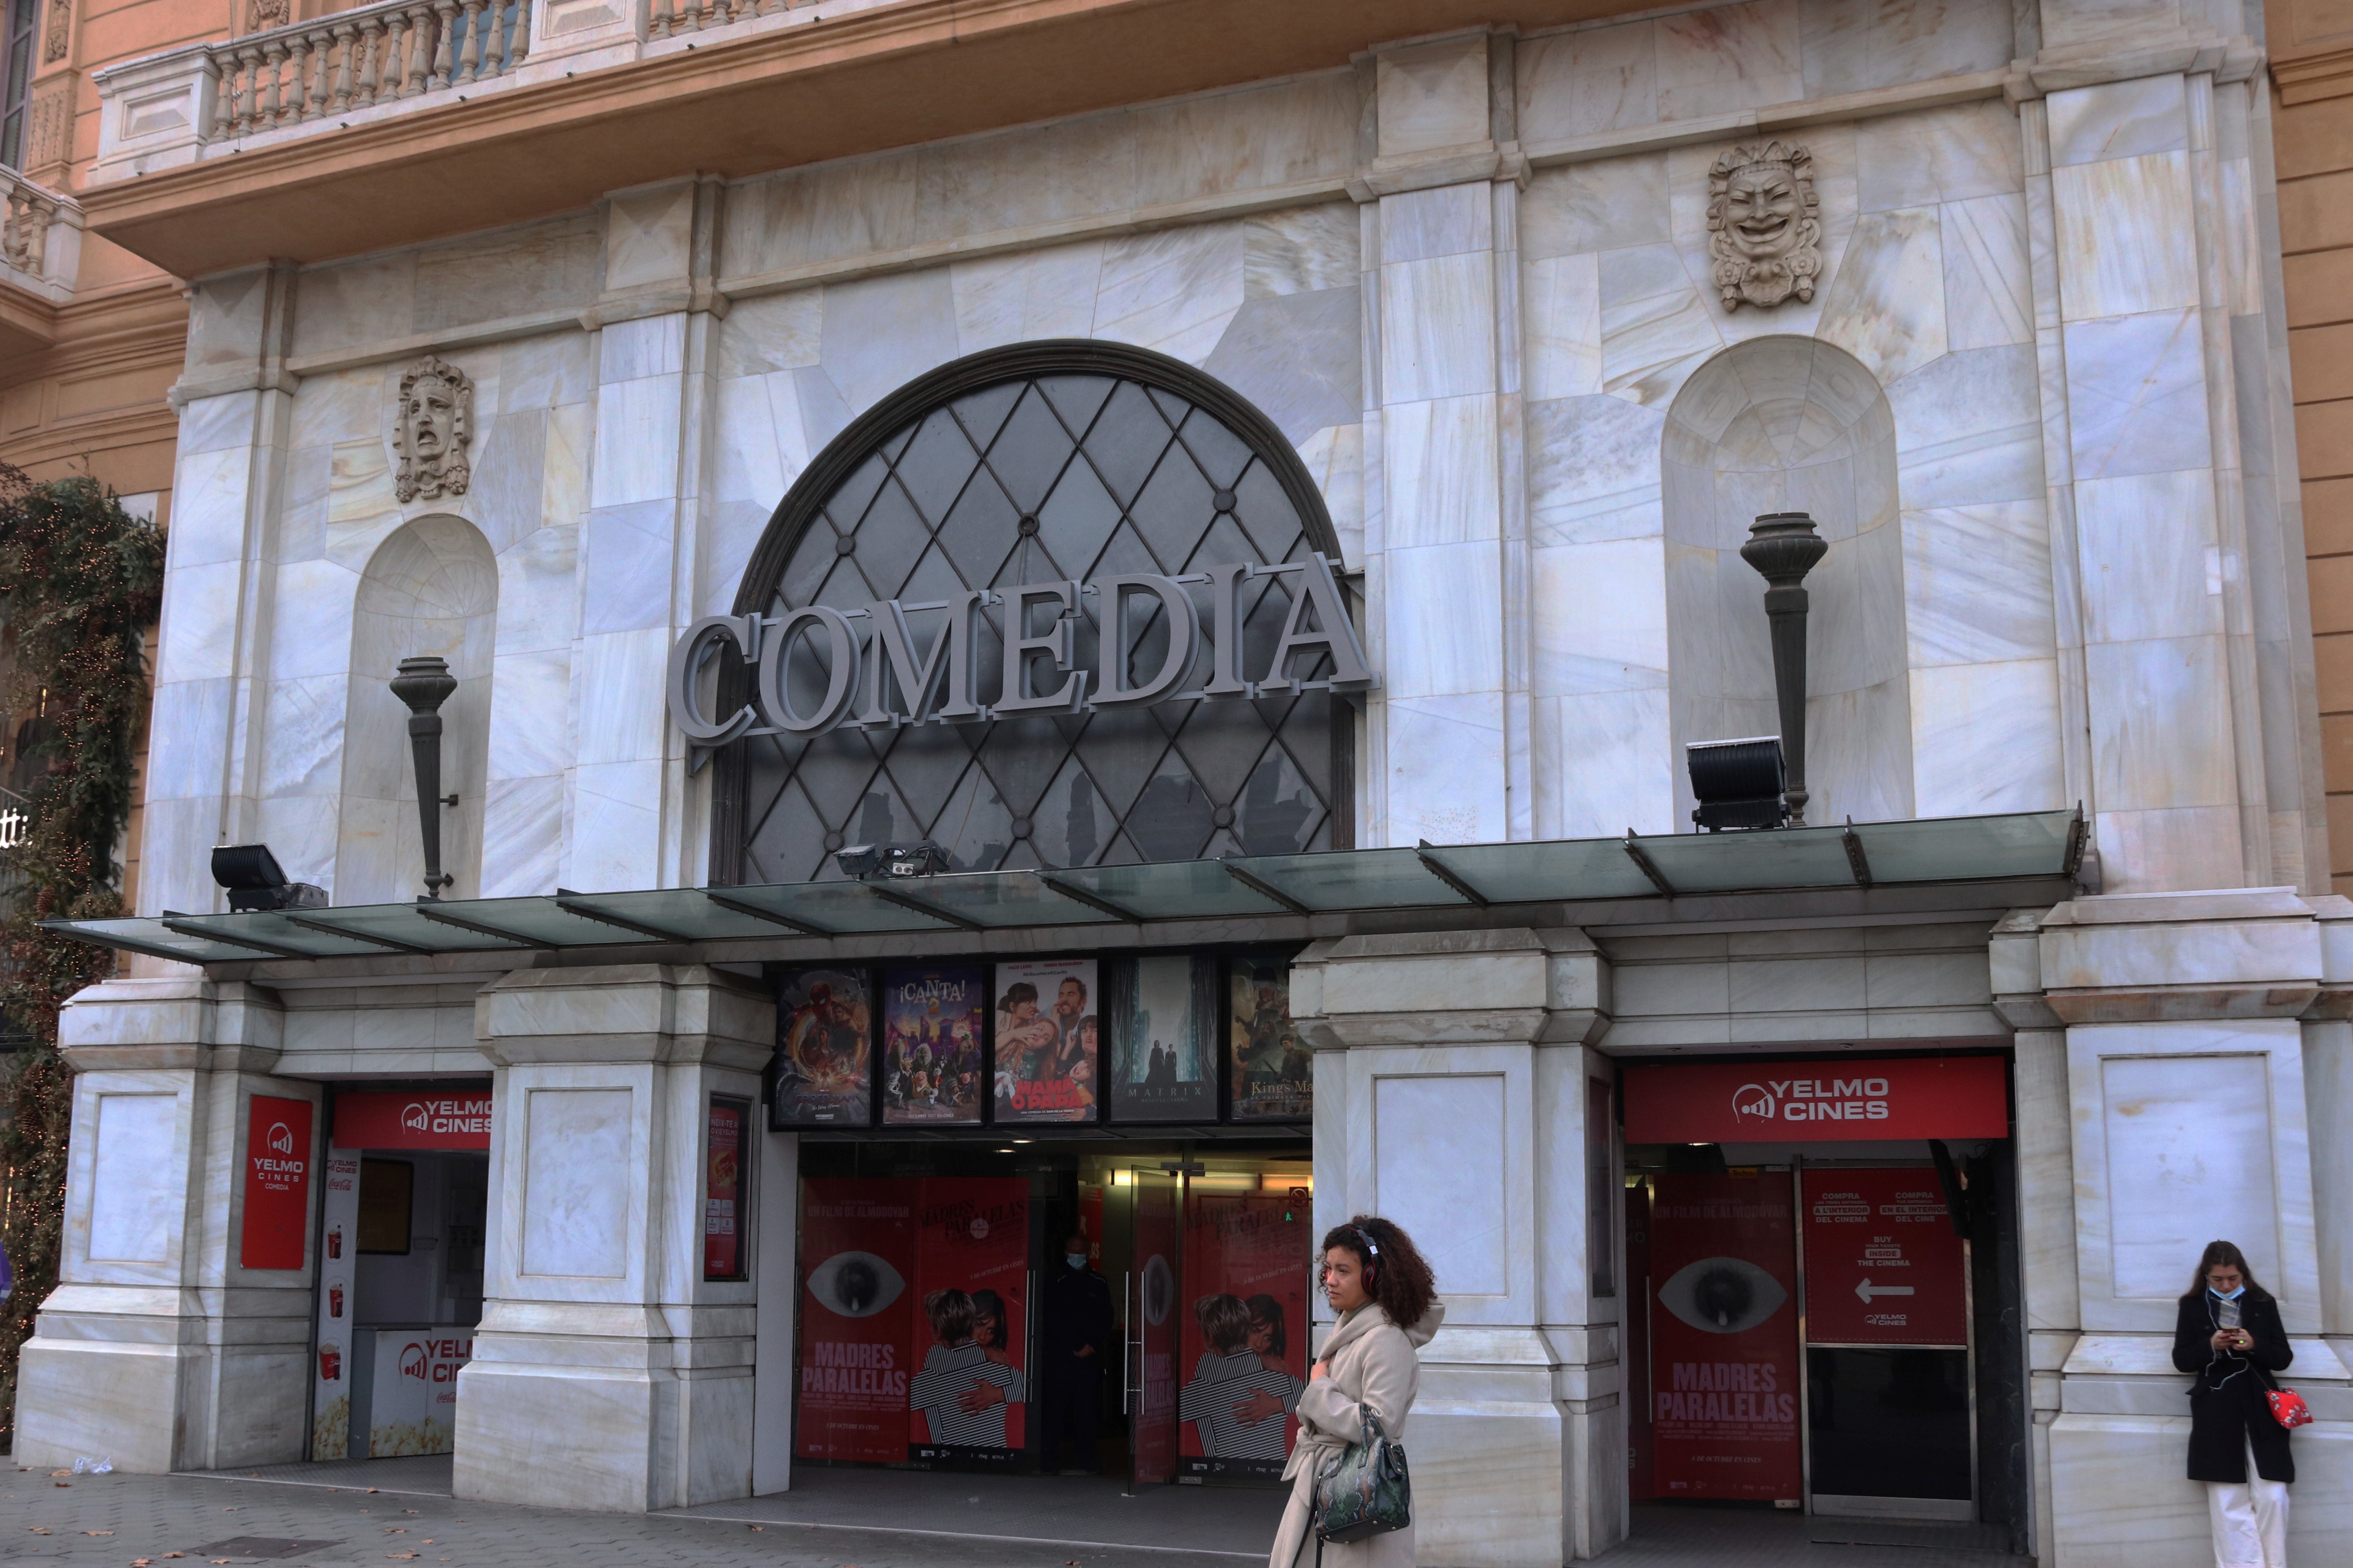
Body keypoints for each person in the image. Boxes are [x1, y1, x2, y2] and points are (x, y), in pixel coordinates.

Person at [1270, 1216, 1441, 1568]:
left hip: (1357, 1498)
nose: (1330, 1280)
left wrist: (1319, 1389)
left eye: (1343, 1270)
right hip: (1330, 1485)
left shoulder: (1386, 1339)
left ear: (1373, 1275)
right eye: (1328, 1269)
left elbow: (1380, 1426)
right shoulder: (1351, 1325)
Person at [2173, 1240, 2294, 1568]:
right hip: (2216, 1408)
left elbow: (2283, 1357)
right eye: (2218, 1279)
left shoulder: (2260, 1302)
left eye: (2232, 1278)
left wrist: (2253, 1344)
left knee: (2273, 1496)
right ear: (2206, 1276)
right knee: (2227, 1500)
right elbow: (2181, 1359)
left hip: (2262, 1407)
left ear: (2243, 1274)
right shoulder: (2193, 1305)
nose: (2226, 1285)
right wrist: (2211, 1344)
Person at [1181, 1293, 1303, 1462]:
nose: (1259, 1344)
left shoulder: (1277, 1376)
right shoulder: (1213, 1377)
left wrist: (1278, 1403)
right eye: (1255, 1331)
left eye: (1268, 1338)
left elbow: (1168, 1410)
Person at [909, 1288, 1025, 1448]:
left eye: (991, 1331)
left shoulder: (997, 1368)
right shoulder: (1000, 1368)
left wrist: (999, 1394)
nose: (983, 1337)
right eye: (979, 1325)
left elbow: (902, 1398)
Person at [1039, 1229, 1114, 1474]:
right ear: (1065, 1252)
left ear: (1088, 1251)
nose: (1076, 1254)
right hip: (1061, 1358)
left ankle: (1087, 1460)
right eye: (1072, 1251)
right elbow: (1052, 1319)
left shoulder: (1098, 1282)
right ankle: (1049, 1461)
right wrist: (1074, 1346)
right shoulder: (1054, 1280)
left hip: (1089, 1359)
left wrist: (1089, 1345)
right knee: (1055, 1410)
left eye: (1081, 1251)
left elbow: (1106, 1319)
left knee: (1087, 1412)